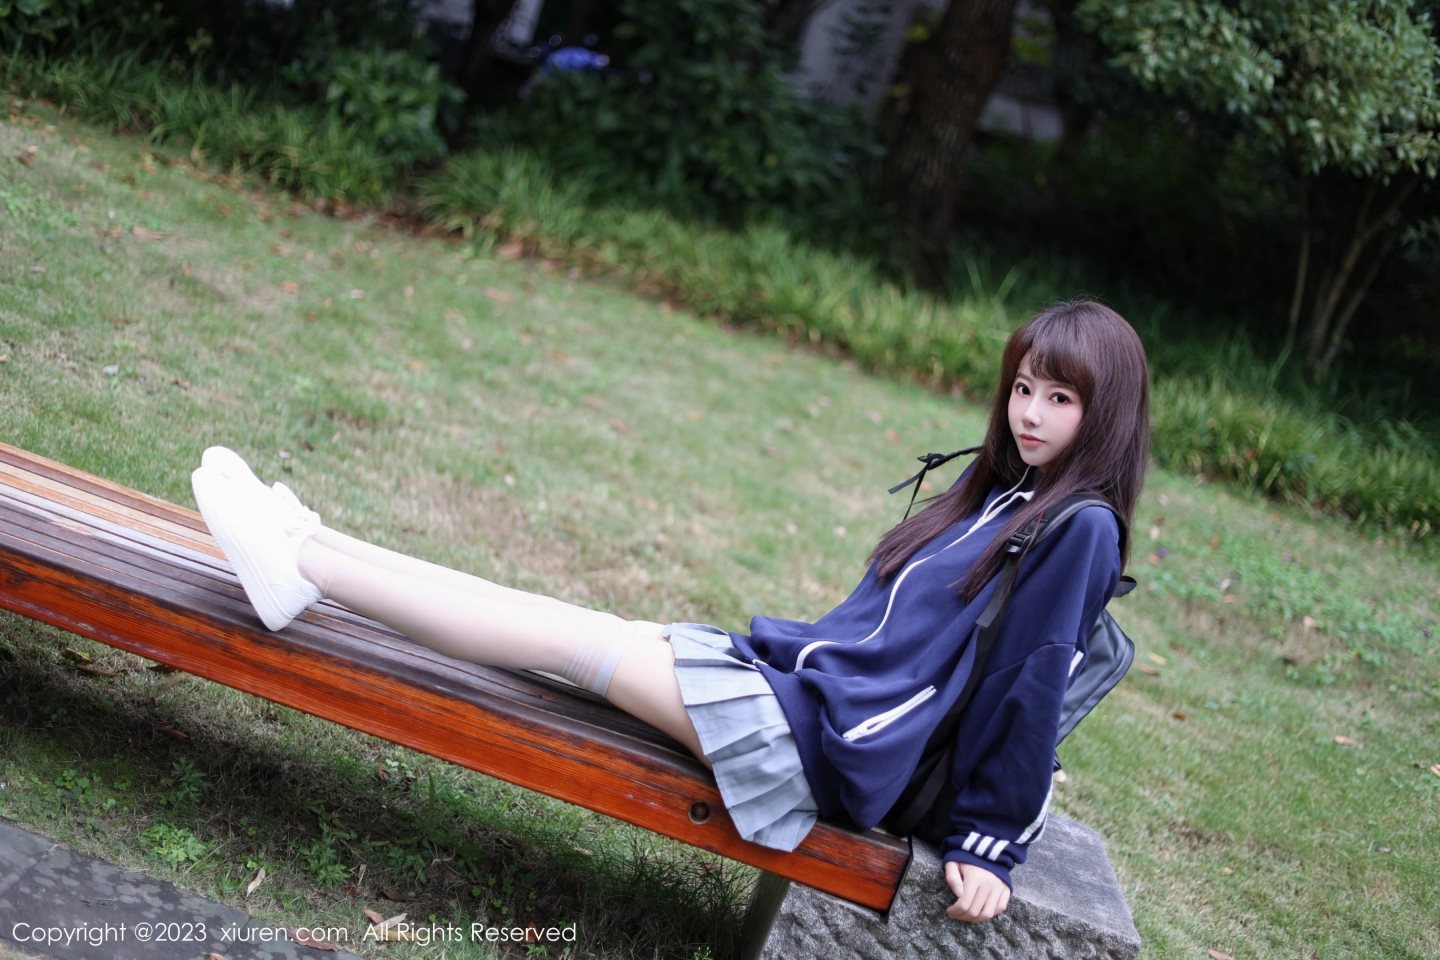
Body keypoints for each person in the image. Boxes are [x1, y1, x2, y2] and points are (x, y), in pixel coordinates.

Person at [191, 299, 1149, 925]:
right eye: (1023, 388)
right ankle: (311, 545)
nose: (1029, 413)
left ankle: (300, 563)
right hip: (801, 700)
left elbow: (1029, 683)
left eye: (1060, 398)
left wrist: (991, 843)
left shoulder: (1081, 530)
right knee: (557, 620)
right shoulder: (1010, 495)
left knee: (569, 640)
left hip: (816, 749)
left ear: (1103, 415)